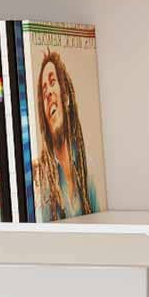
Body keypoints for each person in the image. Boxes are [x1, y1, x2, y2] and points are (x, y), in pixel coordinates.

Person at [32, 49, 100, 219]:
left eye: (52, 82)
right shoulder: (43, 178)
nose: (47, 92)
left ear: (66, 98)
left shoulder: (86, 169)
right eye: (43, 89)